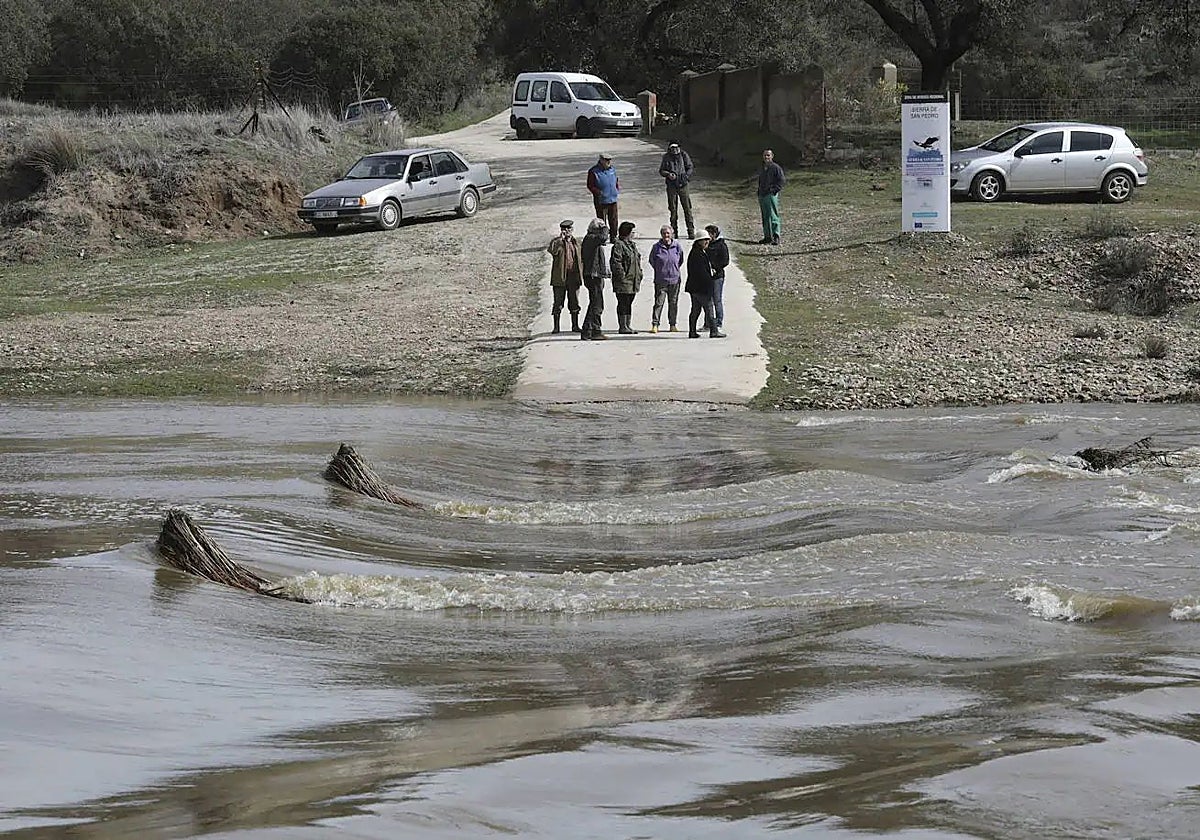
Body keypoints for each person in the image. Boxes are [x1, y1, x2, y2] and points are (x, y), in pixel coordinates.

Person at [546, 219, 583, 334]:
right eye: (564, 229)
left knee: (574, 301)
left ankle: (575, 325)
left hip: (573, 276)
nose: (567, 231)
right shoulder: (557, 242)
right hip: (560, 277)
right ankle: (556, 327)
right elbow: (552, 251)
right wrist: (560, 239)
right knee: (558, 302)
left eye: (569, 229)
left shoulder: (575, 242)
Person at [685, 235, 726, 338]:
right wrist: (710, 281)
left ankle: (692, 331)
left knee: (695, 310)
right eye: (705, 240)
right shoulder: (697, 254)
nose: (707, 242)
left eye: (708, 239)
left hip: (694, 288)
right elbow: (702, 273)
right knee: (709, 310)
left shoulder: (698, 252)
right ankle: (714, 331)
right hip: (701, 288)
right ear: (699, 241)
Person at [648, 225, 684, 333]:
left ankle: (672, 324)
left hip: (674, 279)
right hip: (661, 280)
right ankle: (655, 324)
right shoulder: (656, 247)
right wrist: (660, 270)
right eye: (664, 233)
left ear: (672, 234)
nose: (666, 236)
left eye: (668, 233)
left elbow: (680, 260)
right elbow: (652, 261)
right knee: (659, 303)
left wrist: (674, 269)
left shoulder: (677, 246)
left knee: (673, 303)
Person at [579, 218, 610, 340]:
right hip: (593, 275)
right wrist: (605, 227)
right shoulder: (590, 238)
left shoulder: (591, 239)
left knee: (598, 303)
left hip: (596, 274)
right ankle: (588, 330)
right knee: (595, 304)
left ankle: (595, 330)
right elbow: (602, 238)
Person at [609, 220, 642, 334]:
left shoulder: (632, 245)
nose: (633, 234)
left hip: (633, 280)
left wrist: (640, 274)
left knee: (629, 303)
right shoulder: (619, 245)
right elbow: (616, 262)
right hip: (624, 281)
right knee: (623, 302)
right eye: (632, 232)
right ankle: (622, 326)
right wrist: (622, 276)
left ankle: (628, 325)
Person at [658, 141, 695, 239]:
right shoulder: (666, 157)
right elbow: (661, 170)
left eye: (676, 148)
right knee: (673, 210)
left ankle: (691, 231)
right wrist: (668, 174)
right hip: (671, 186)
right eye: (672, 148)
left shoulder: (684, 155)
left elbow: (690, 167)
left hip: (683, 185)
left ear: (679, 147)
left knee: (687, 209)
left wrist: (686, 176)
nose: (674, 150)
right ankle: (674, 232)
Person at [586, 153, 619, 243]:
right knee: (601, 220)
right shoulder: (593, 171)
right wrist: (598, 193)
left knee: (614, 219)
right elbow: (590, 185)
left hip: (612, 199)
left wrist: (616, 190)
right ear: (601, 160)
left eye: (609, 160)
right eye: (606, 160)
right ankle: (602, 238)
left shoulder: (612, 169)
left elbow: (616, 180)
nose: (609, 162)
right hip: (601, 200)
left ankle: (613, 237)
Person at [703, 223, 729, 332]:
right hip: (706, 276)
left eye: (708, 234)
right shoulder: (705, 245)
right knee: (707, 300)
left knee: (716, 300)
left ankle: (718, 322)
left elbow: (725, 261)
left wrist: (715, 268)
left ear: (713, 234)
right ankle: (708, 323)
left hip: (717, 276)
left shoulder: (721, 245)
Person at [756, 148, 786, 245]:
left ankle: (776, 236)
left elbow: (781, 180)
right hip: (762, 194)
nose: (766, 157)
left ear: (772, 156)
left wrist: (774, 190)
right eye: (765, 155)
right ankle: (767, 236)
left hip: (771, 194)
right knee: (765, 216)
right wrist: (759, 192)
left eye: (768, 155)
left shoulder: (776, 168)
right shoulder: (762, 168)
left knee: (773, 215)